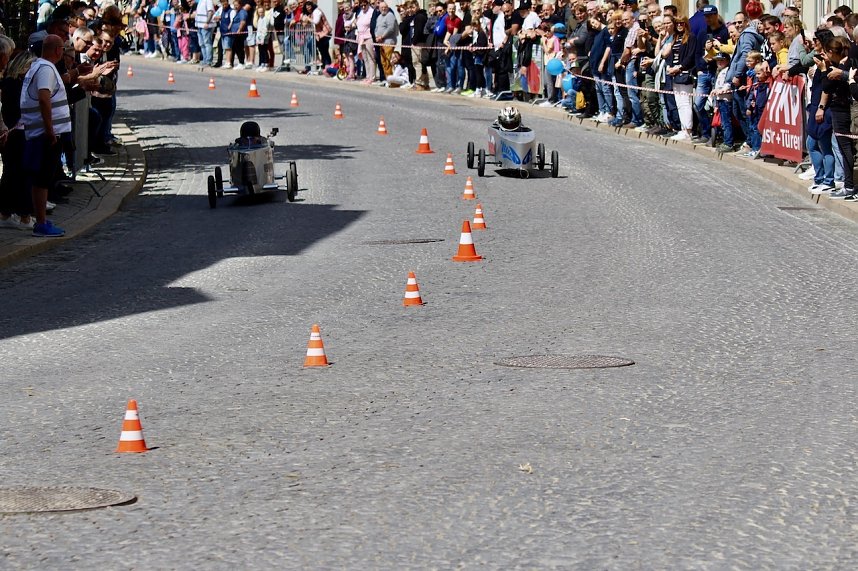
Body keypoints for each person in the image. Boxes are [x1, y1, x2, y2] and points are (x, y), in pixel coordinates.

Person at [20, 34, 70, 237]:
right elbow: (43, 98)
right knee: (42, 179)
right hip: (45, 134)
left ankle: (41, 219)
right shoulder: (46, 69)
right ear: (58, 50)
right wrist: (50, 131)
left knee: (41, 177)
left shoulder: (38, 66)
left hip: (39, 131)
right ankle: (40, 222)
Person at [819, 36, 855, 199]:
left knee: (845, 148)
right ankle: (847, 184)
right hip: (840, 109)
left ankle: (848, 185)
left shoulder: (844, 65)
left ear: (833, 52)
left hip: (844, 110)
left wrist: (824, 70)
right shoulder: (839, 65)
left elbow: (826, 86)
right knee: (843, 147)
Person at [375, 1, 397, 79]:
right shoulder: (379, 16)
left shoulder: (390, 15)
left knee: (389, 61)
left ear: (387, 8)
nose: (383, 9)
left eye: (385, 7)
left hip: (388, 42)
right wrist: (377, 36)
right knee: (384, 62)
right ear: (379, 8)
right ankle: (388, 78)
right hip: (381, 43)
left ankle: (392, 79)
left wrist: (382, 36)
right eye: (382, 7)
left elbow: (390, 28)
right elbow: (376, 28)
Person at [195, 0, 215, 67]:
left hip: (205, 26)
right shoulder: (200, 1)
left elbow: (210, 12)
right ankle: (204, 59)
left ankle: (208, 61)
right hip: (199, 25)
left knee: (207, 43)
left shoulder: (208, 1)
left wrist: (207, 22)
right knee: (202, 44)